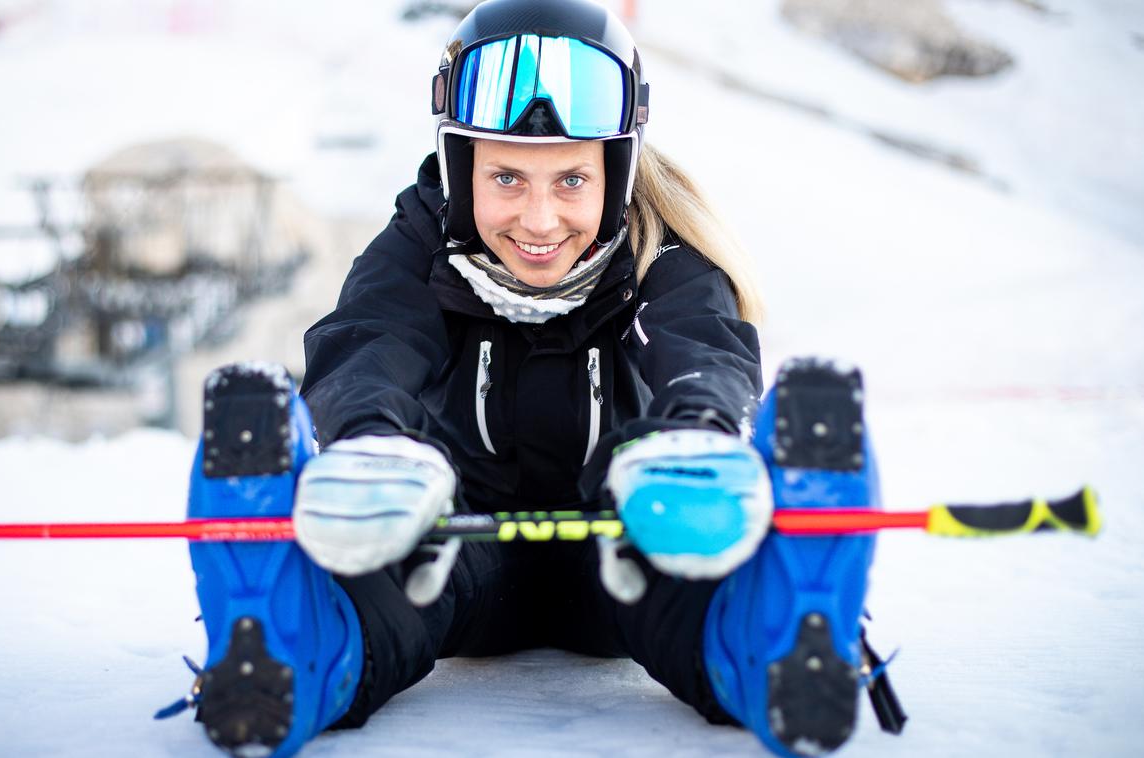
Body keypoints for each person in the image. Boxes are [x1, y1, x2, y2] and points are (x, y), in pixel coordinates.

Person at [177, 2, 882, 757]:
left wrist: (697, 435)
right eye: (507, 176)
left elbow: (700, 345)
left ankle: (774, 643)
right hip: (462, 542)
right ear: (459, 166)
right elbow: (371, 337)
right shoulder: (423, 240)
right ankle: (295, 650)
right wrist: (372, 440)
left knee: (675, 566)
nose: (540, 219)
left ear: (614, 172)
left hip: (622, 537)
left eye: (571, 179)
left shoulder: (661, 254)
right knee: (399, 566)